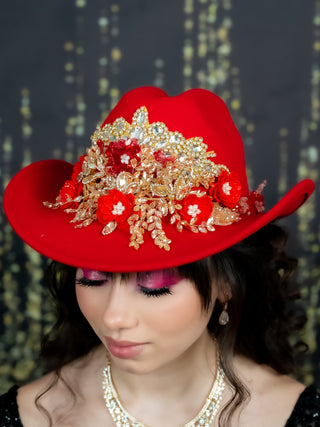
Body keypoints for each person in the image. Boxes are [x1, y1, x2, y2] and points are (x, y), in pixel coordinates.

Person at [0, 86, 319, 427]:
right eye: (92, 278)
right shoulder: (30, 415)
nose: (113, 317)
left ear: (225, 283)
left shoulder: (293, 416)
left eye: (153, 287)